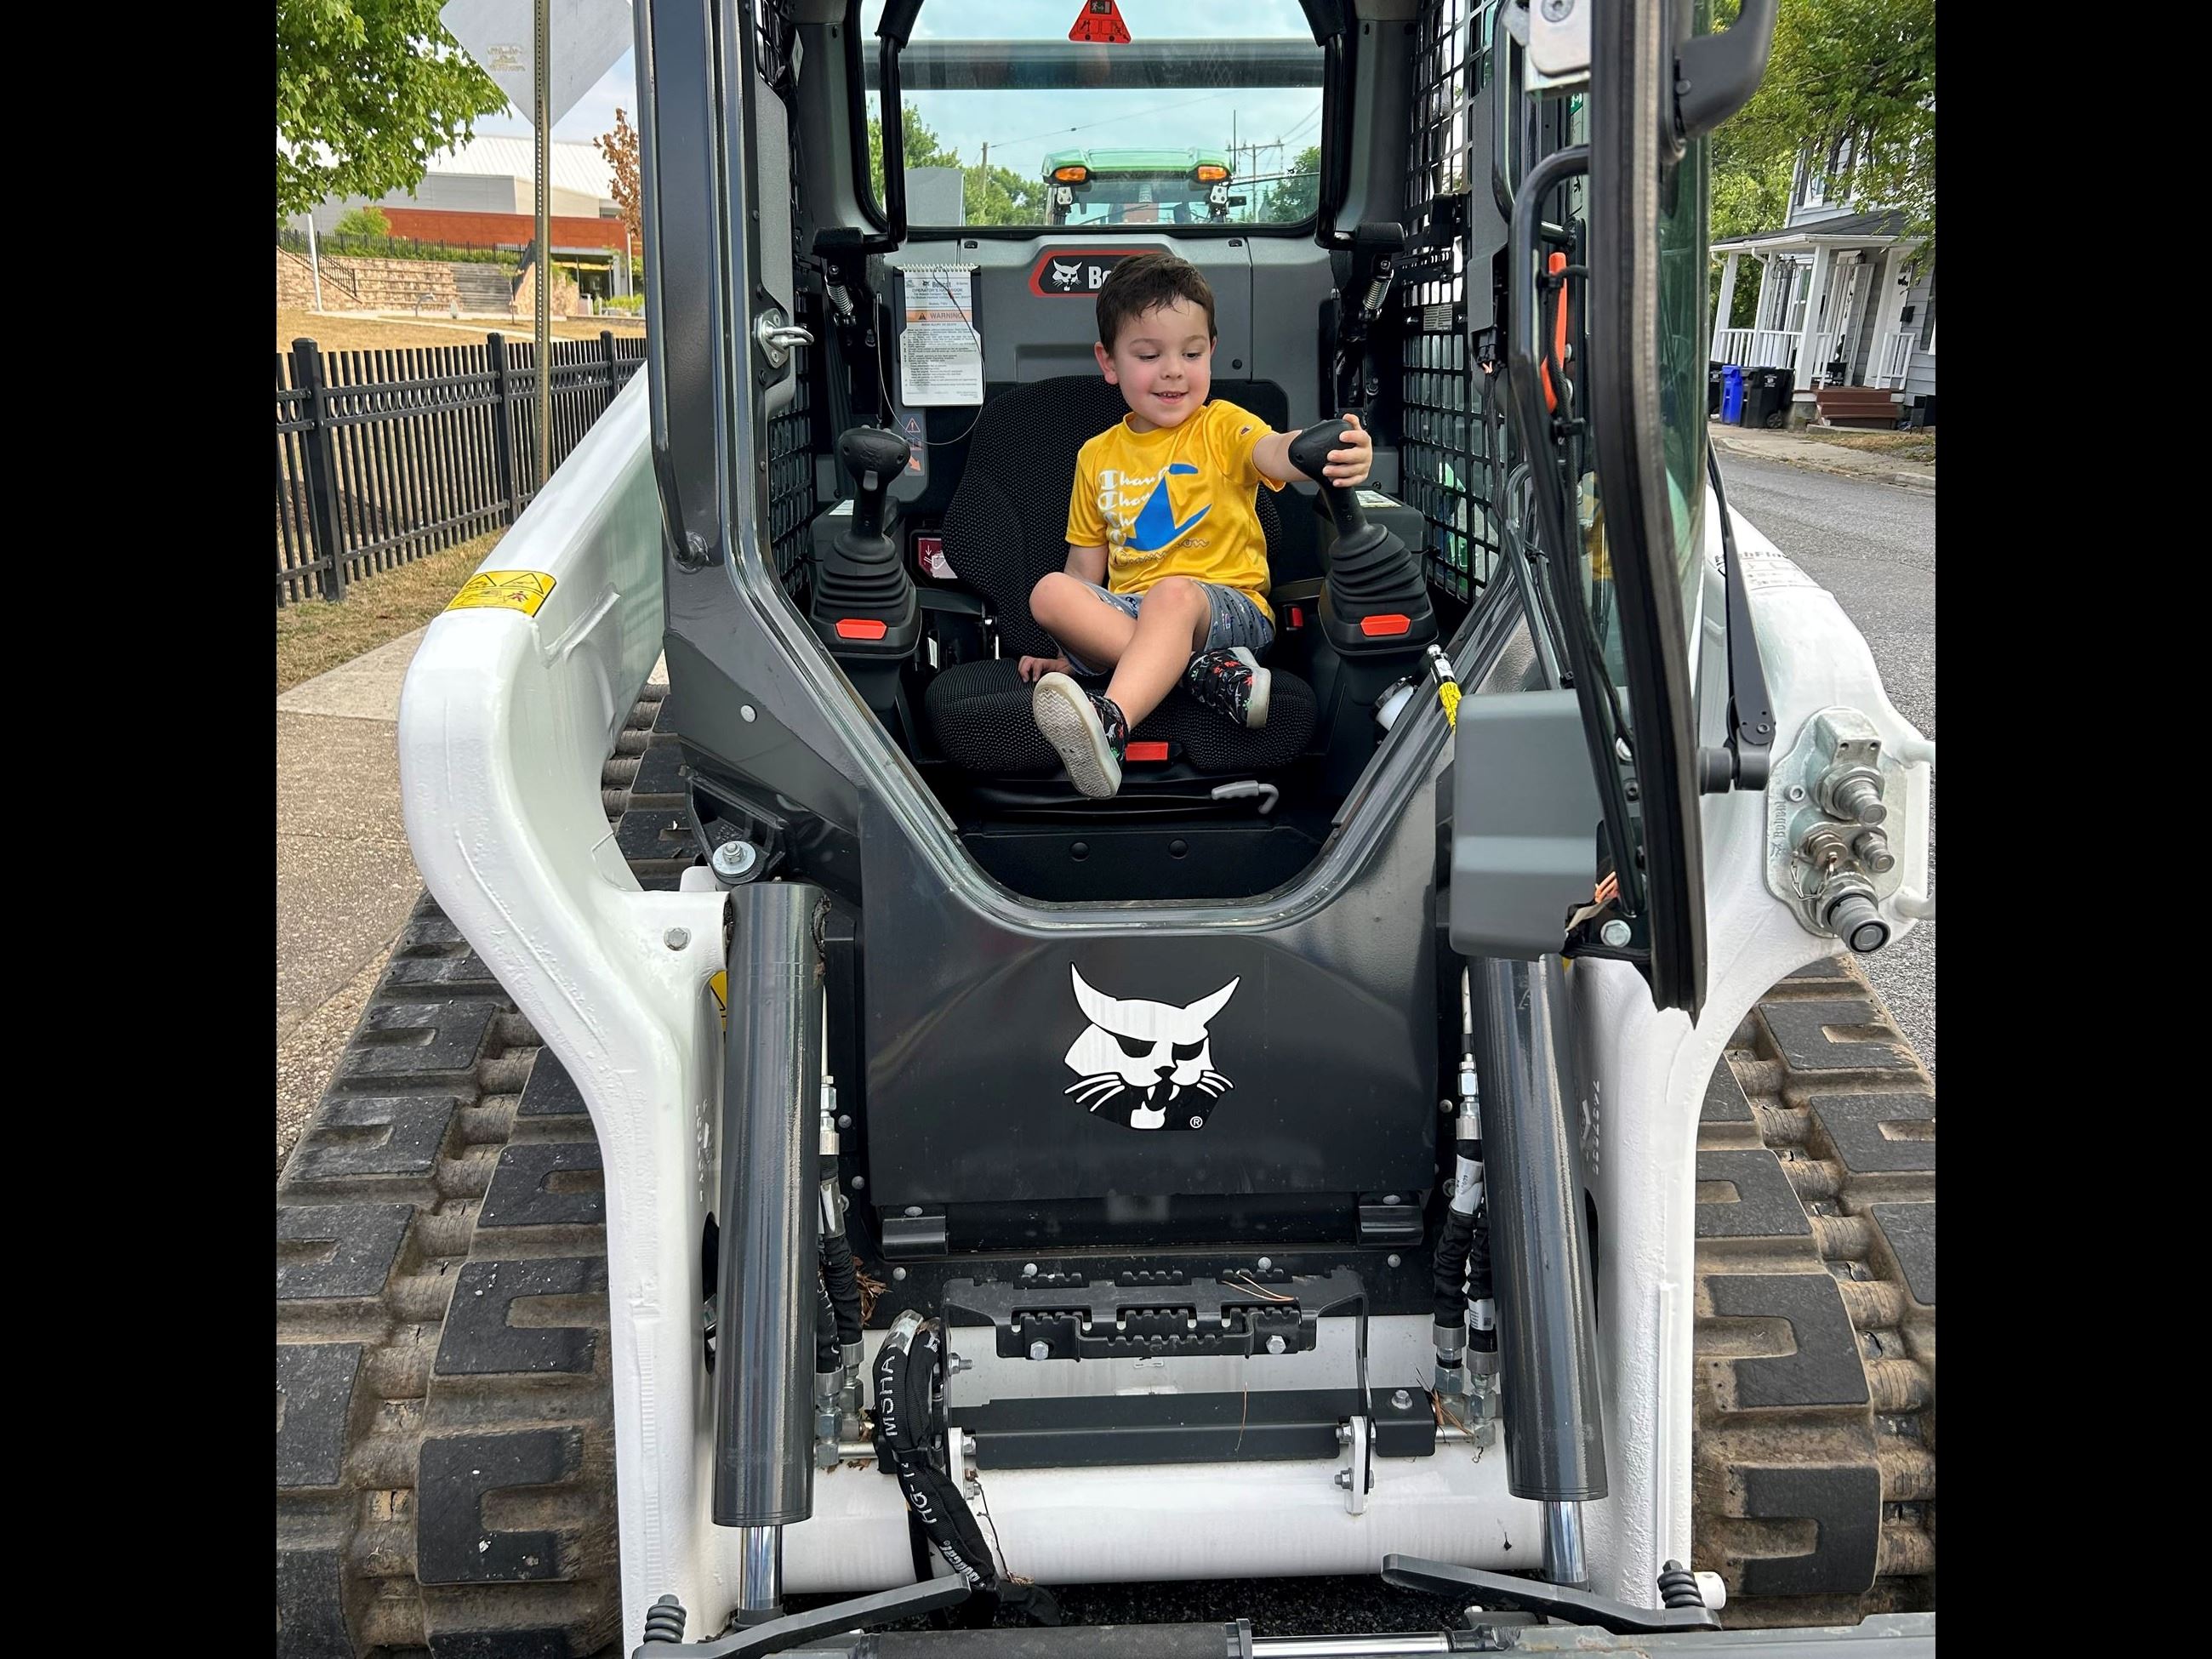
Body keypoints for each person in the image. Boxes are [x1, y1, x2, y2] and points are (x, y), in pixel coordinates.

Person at [1021, 252, 1371, 798]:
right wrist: (1066, 651)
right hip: (1131, 613)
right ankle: (1206, 675)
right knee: (1048, 593)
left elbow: (1274, 452)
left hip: (1225, 609)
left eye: (1191, 352)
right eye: (1148, 354)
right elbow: (1085, 571)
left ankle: (1111, 722)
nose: (1173, 371)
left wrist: (1321, 449)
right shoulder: (1096, 455)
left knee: (1173, 596)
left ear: (1211, 352)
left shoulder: (1223, 426)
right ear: (1108, 362)